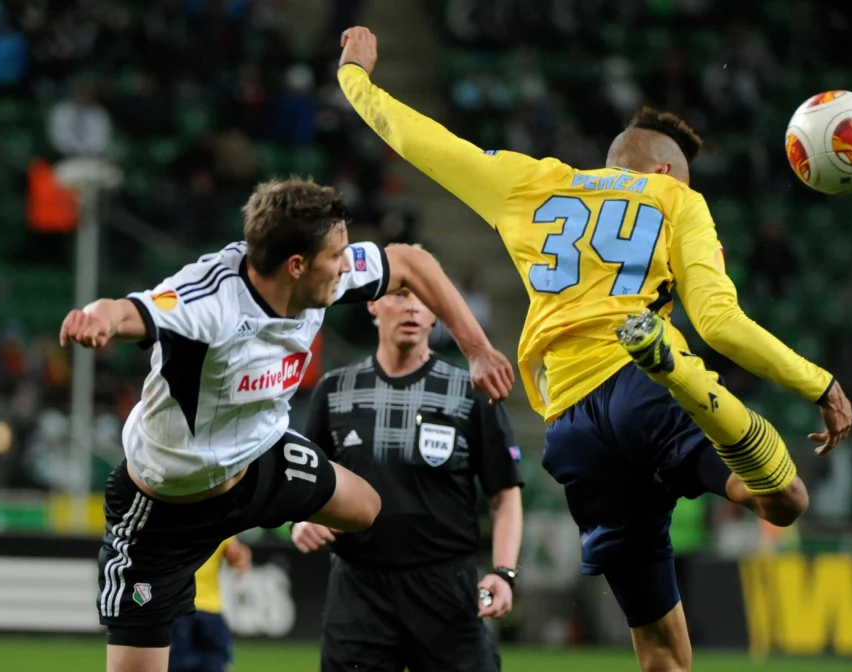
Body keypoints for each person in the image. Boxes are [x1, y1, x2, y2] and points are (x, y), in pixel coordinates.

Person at [334, 28, 852, 672]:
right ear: (666, 172)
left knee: (662, 651)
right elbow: (719, 323)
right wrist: (818, 383)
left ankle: (674, 376)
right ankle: (684, 379)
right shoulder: (676, 200)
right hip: (646, 386)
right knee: (786, 500)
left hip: (572, 428)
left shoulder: (530, 183)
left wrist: (354, 76)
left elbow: (420, 140)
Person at [59, 177, 514, 672]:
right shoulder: (210, 301)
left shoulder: (325, 274)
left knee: (366, 508)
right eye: (337, 255)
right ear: (296, 266)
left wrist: (477, 349)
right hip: (166, 509)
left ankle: (381, 619)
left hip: (258, 464)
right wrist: (97, 318)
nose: (347, 265)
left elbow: (410, 261)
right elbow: (130, 311)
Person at [292, 268, 524, 672]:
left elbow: (504, 494)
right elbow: (304, 482)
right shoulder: (334, 390)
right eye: (400, 294)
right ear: (373, 303)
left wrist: (504, 573)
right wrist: (300, 520)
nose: (413, 306)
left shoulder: (471, 391)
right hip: (358, 587)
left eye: (423, 298)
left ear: (437, 313)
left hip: (446, 589)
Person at [169, 537, 251, 672]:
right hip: (205, 610)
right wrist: (240, 558)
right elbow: (236, 555)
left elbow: (236, 553)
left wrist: (240, 556)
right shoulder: (219, 517)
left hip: (181, 609)